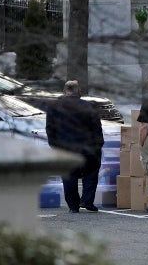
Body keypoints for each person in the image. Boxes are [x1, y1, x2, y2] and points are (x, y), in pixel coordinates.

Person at [46, 80, 104, 213]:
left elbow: (50, 129)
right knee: (91, 172)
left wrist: (55, 147)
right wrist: (98, 145)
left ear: (64, 91)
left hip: (65, 148)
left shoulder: (54, 107)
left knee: (69, 176)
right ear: (79, 91)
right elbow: (97, 128)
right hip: (87, 147)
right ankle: (87, 200)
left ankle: (73, 206)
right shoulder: (89, 106)